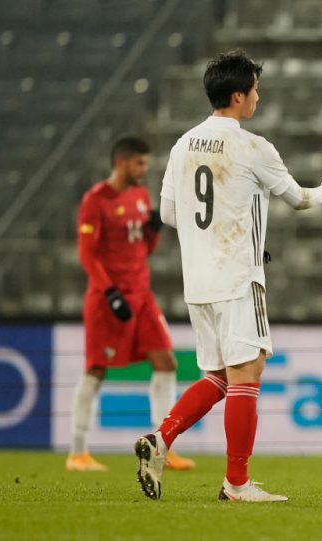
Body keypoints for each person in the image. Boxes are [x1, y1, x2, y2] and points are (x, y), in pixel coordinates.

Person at [133, 50, 322, 502]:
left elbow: (169, 213)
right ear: (237, 95)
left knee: (218, 375)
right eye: (254, 88)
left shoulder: (183, 143)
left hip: (197, 279)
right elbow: (299, 199)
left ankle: (161, 438)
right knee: (247, 374)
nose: (257, 96)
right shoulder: (253, 147)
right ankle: (236, 483)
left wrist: (216, 227)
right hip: (237, 276)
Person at [69, 136, 194, 472]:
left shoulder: (140, 195)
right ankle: (77, 451)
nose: (144, 169)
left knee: (166, 361)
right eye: (139, 163)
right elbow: (87, 253)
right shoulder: (96, 200)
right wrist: (109, 293)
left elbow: (144, 250)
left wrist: (153, 231)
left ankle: (162, 445)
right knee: (97, 368)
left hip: (141, 295)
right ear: (122, 162)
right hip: (107, 297)